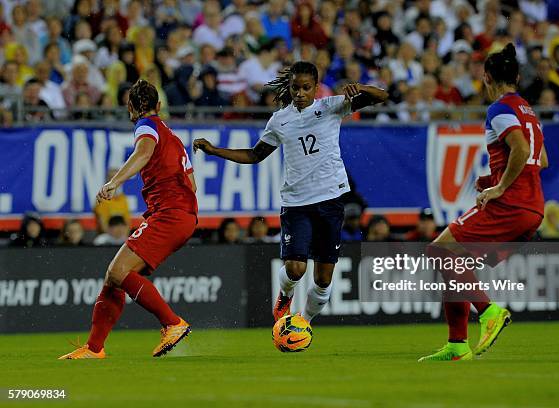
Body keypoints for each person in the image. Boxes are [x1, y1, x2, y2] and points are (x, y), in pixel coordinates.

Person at [193, 61, 388, 324]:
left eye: (306, 88)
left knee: (322, 279)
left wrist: (360, 88)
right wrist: (215, 150)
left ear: (316, 88)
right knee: (295, 269)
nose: (299, 93)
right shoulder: (280, 120)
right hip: (296, 203)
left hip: (330, 200)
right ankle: (285, 295)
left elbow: (382, 96)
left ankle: (303, 322)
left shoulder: (331, 106)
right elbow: (255, 154)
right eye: (295, 87)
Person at [419, 43, 549, 362]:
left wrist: (500, 186)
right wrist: (492, 180)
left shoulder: (500, 109)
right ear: (516, 76)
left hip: (511, 204)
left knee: (439, 251)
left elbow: (519, 150)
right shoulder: (528, 112)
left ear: (487, 78)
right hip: (533, 207)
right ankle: (457, 346)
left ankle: (489, 312)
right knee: (456, 264)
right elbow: (540, 159)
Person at [59, 79, 198, 360]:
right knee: (114, 277)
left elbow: (143, 152)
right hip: (182, 215)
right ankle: (94, 348)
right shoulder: (172, 137)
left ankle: (173, 323)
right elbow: (192, 185)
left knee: (118, 272)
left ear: (130, 107)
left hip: (169, 214)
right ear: (159, 105)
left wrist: (114, 182)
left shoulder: (147, 126)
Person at [93, 168, 131, 233]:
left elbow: (127, 222)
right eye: (112, 178)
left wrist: (125, 236)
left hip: (122, 236)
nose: (115, 181)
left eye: (117, 178)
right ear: (107, 181)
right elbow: (102, 223)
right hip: (108, 236)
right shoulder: (102, 198)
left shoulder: (123, 198)